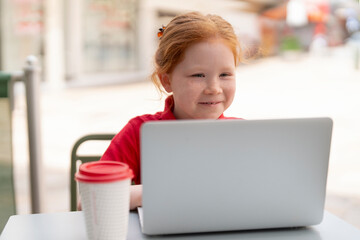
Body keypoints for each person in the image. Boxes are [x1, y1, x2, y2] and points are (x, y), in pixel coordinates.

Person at [100, 11, 242, 210]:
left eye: (225, 74)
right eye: (198, 75)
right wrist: (155, 193)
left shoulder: (244, 134)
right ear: (166, 81)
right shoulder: (139, 132)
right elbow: (90, 199)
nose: (214, 88)